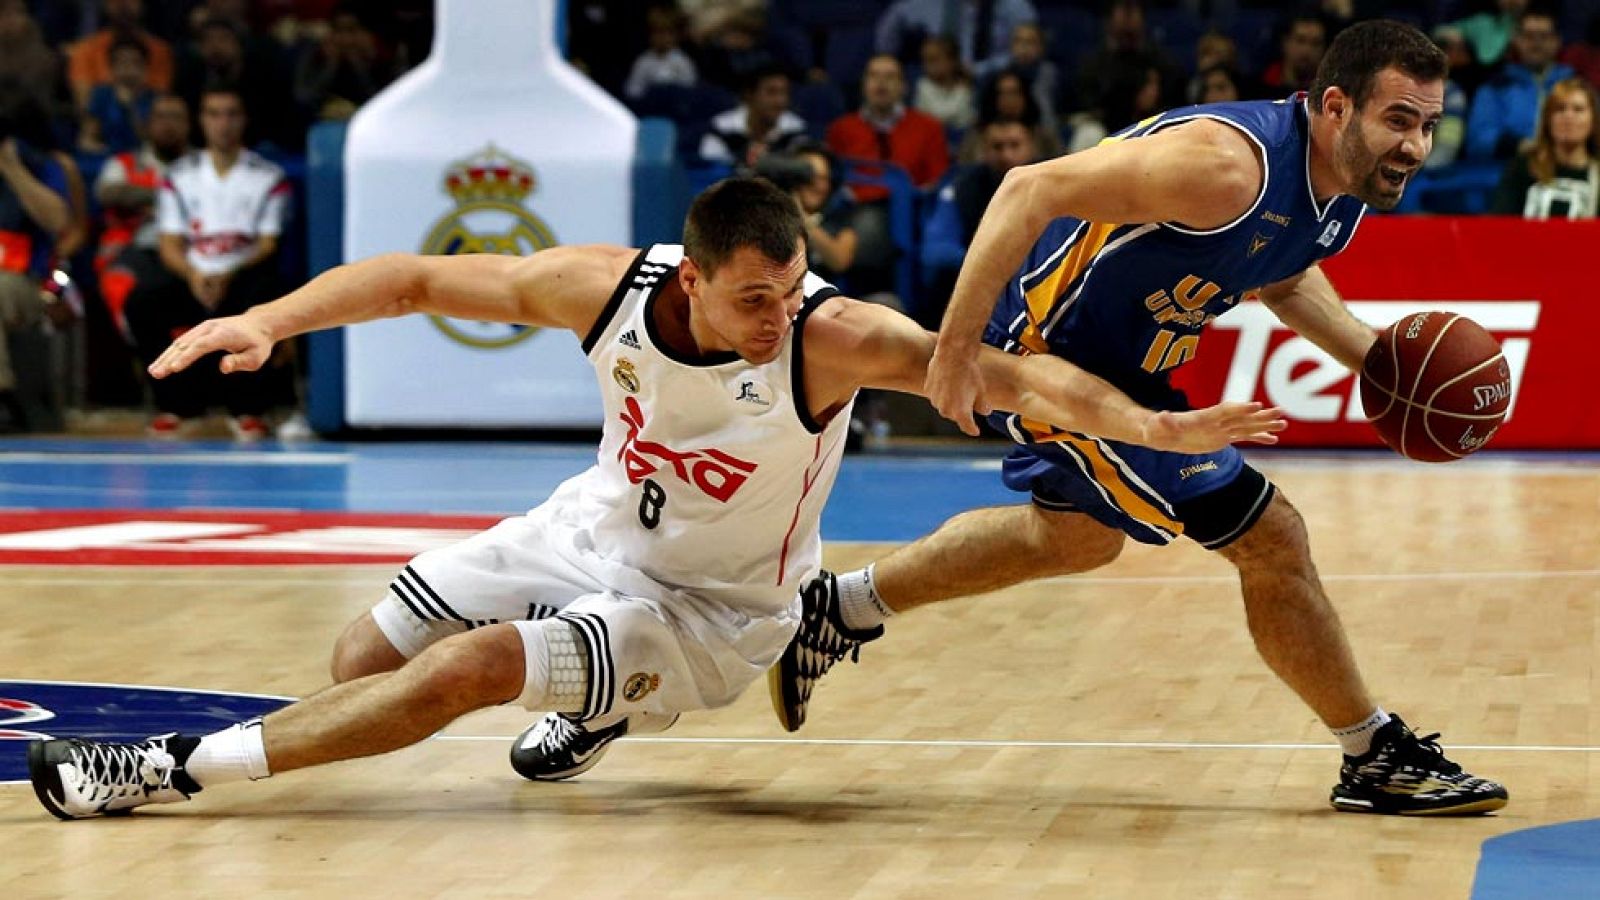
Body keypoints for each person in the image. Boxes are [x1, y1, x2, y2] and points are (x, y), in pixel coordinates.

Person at [25, 176, 1285, 819]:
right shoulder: (606, 290)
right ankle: (595, 705)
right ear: (688, 278)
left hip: (710, 615)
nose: (776, 315)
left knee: (469, 675)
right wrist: (263, 317)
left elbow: (1015, 373)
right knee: (362, 653)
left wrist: (1149, 422)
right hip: (590, 527)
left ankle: (165, 770)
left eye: (790, 291)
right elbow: (411, 277)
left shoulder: (824, 337)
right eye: (752, 298)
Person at [770, 19, 1512, 817]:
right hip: (1045, 355)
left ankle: (837, 608)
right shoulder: (1225, 167)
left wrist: (1373, 361)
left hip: (1129, 368)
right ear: (1336, 107)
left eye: (1429, 124)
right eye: (1399, 120)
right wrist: (953, 356)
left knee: (1074, 537)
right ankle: (1371, 753)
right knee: (1272, 537)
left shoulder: (1339, 190)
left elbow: (1286, 276)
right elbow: (1026, 188)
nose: (1416, 146)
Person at [123, 82, 289, 440]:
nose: (223, 124)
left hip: (242, 273)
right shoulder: (179, 176)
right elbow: (169, 243)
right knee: (142, 302)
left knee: (265, 300)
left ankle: (248, 408)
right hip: (192, 274)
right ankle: (178, 406)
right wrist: (194, 274)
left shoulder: (267, 176)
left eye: (231, 114)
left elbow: (268, 243)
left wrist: (228, 272)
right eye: (214, 114)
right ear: (202, 121)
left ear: (243, 120)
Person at [1464, 8, 1573, 162]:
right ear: (1516, 40)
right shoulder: (1495, 87)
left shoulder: (1575, 86)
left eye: (1544, 36)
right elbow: (1477, 141)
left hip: (1565, 170)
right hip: (1505, 172)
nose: (1536, 43)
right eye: (1529, 36)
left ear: (1557, 41)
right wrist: (1519, 145)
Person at [1490, 77, 1599, 218]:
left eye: (1578, 110)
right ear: (1547, 119)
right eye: (1560, 109)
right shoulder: (1520, 169)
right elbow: (1499, 225)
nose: (1568, 116)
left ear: (1593, 120)